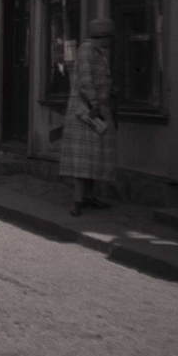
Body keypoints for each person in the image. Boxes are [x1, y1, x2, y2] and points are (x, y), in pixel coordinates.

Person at [59, 18, 117, 216]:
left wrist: (108, 90)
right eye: (110, 37)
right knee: (84, 158)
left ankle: (89, 197)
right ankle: (77, 201)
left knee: (93, 156)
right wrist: (94, 102)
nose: (111, 41)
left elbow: (95, 80)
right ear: (103, 36)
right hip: (86, 113)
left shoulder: (96, 52)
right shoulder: (87, 51)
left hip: (94, 110)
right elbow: (86, 81)